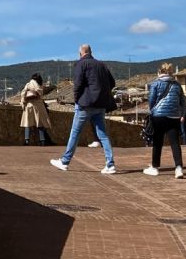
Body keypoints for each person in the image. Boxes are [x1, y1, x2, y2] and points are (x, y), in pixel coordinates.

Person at [50, 44, 116, 174]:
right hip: (100, 105)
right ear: (91, 52)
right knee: (103, 135)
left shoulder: (81, 64)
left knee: (75, 133)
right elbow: (112, 83)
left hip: (85, 104)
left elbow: (78, 84)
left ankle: (64, 161)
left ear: (80, 53)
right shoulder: (102, 65)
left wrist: (77, 99)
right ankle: (110, 164)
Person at [144, 62, 186, 178]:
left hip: (158, 116)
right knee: (175, 143)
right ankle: (179, 168)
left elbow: (151, 101)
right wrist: (181, 114)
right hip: (174, 116)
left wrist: (153, 110)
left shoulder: (155, 84)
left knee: (157, 142)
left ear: (159, 72)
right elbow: (183, 101)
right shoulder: (177, 85)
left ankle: (154, 167)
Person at [20, 73, 53, 145]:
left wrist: (23, 102)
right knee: (40, 123)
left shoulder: (28, 84)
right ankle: (42, 140)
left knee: (27, 123)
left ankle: (27, 140)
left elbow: (23, 93)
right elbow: (41, 95)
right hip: (39, 105)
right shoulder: (40, 86)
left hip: (29, 105)